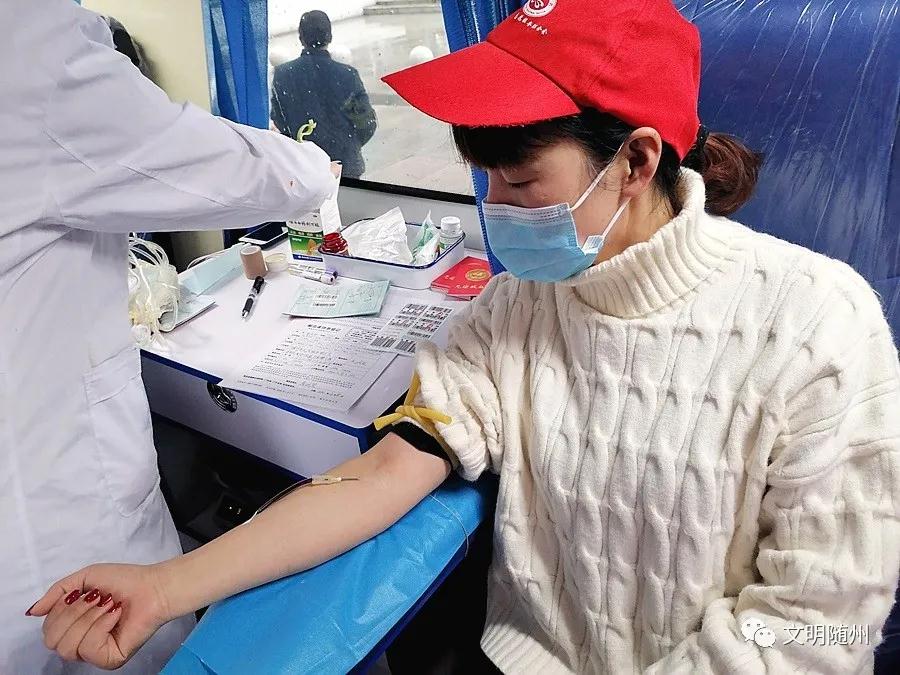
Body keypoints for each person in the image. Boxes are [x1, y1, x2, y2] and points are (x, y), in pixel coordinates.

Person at [32, 1, 900, 673]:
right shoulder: (516, 307)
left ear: (635, 162)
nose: (496, 209)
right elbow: (382, 474)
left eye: (520, 180)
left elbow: (819, 626)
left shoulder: (818, 326)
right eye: (483, 179)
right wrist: (164, 585)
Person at [0, 0, 338, 672]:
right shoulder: (30, 44)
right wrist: (314, 168)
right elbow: (239, 169)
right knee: (113, 639)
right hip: (49, 517)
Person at [270, 10, 377, 179]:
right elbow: (366, 124)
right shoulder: (347, 75)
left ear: (301, 38)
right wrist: (348, 146)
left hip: (304, 167)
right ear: (330, 37)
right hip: (345, 168)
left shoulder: (283, 74)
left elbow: (280, 120)